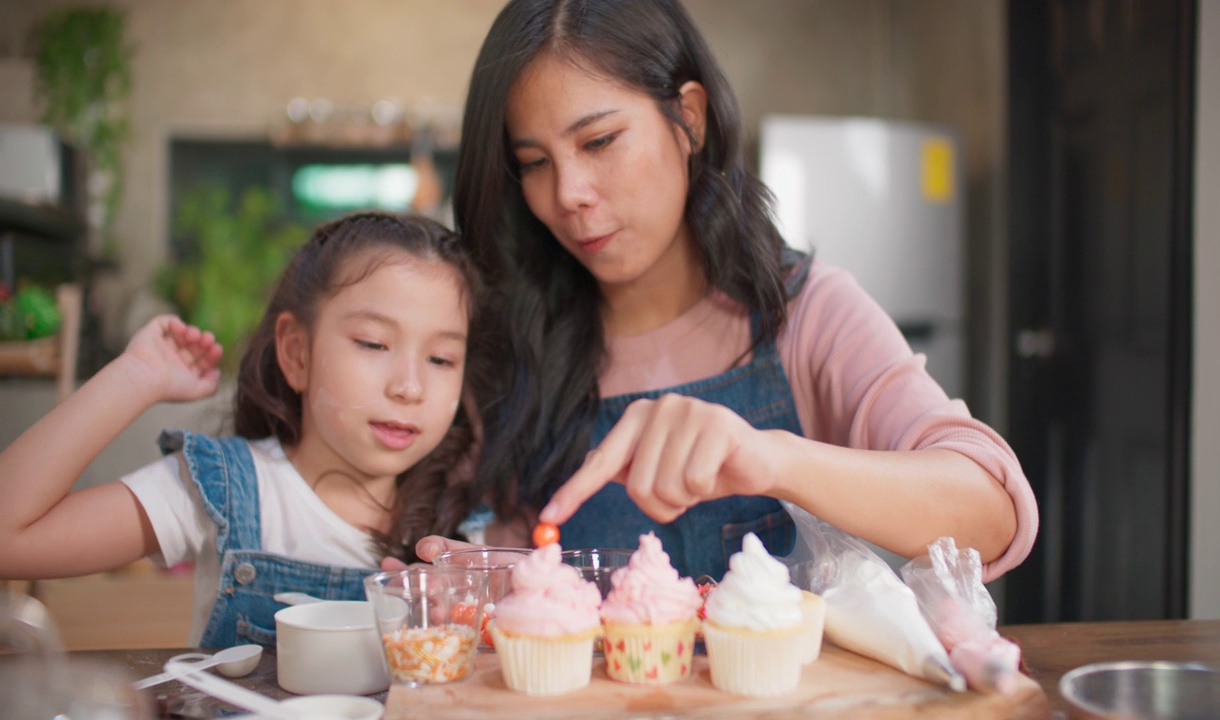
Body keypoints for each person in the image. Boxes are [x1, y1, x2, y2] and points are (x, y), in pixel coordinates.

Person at [416, 0, 1039, 584]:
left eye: (599, 141)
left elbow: (993, 514)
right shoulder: (506, 336)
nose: (568, 193)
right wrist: (494, 579)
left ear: (689, 118)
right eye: (534, 163)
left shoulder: (804, 312)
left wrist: (775, 461)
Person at [0, 211, 482, 647]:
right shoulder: (224, 489)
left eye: (441, 358)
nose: (410, 387)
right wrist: (134, 378)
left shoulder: (469, 529)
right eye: (374, 344)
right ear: (296, 354)